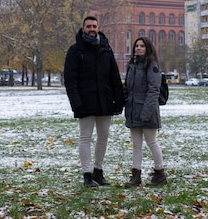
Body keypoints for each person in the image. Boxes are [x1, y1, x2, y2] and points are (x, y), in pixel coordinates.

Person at [64, 15, 125, 188]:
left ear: (98, 28)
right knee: (85, 137)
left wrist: (118, 101)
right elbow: (70, 80)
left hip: (105, 101)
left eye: (94, 26)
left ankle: (98, 171)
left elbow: (114, 76)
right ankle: (87, 175)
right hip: (85, 102)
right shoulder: (75, 51)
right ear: (83, 28)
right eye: (88, 26)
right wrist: (76, 103)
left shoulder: (106, 49)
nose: (92, 29)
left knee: (103, 137)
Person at [123, 36, 167, 186]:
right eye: (137, 46)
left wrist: (146, 113)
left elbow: (154, 90)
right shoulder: (132, 66)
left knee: (152, 142)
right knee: (136, 145)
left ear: (147, 48)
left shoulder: (151, 66)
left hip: (147, 111)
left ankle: (160, 173)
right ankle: (136, 175)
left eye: (142, 46)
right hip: (133, 110)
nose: (138, 48)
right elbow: (128, 89)